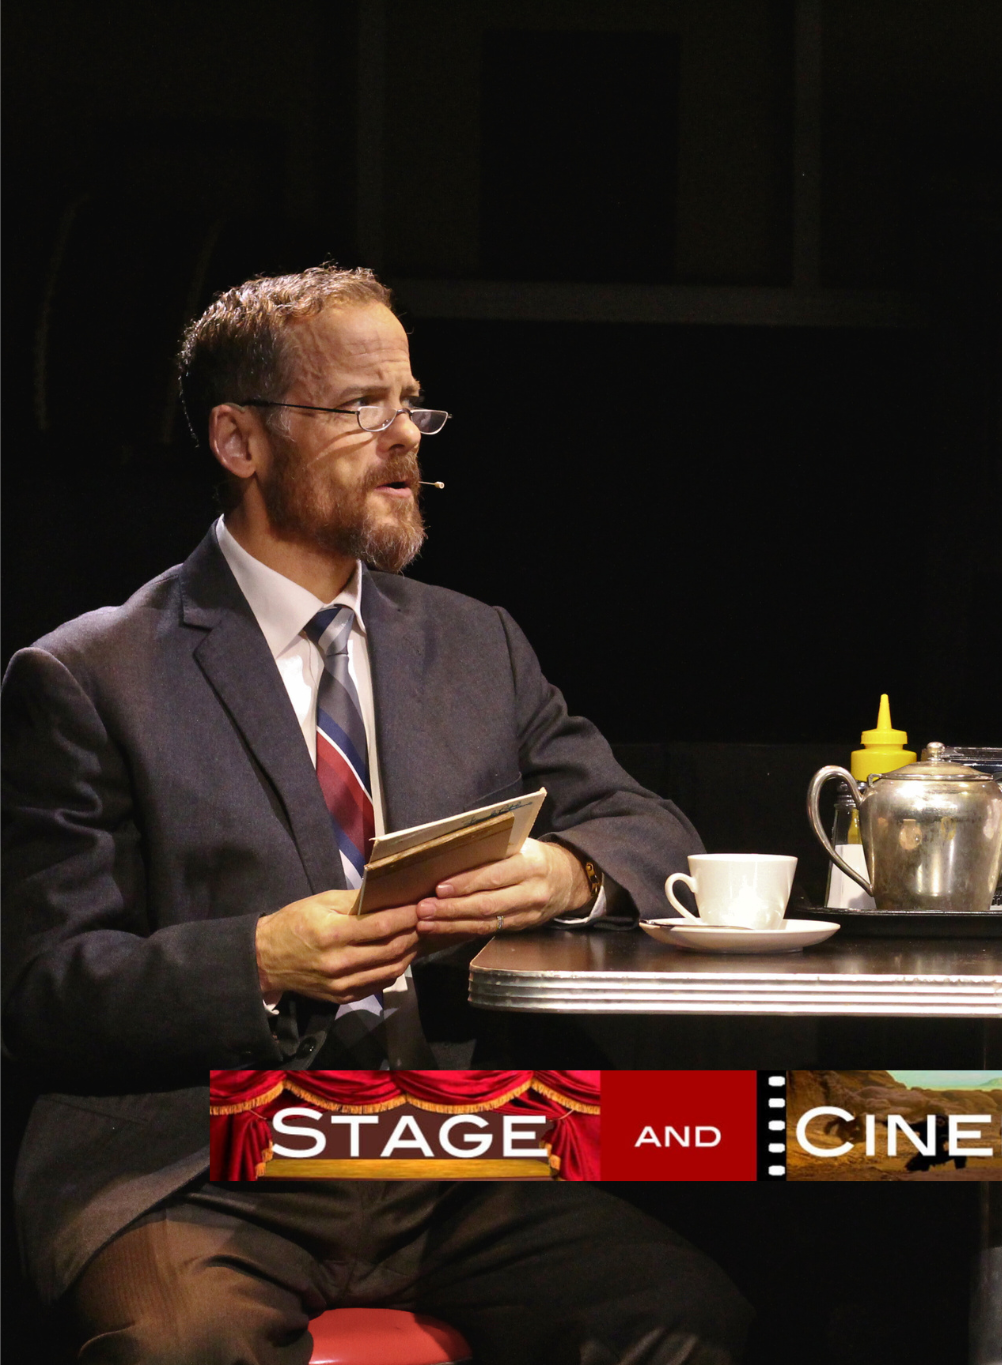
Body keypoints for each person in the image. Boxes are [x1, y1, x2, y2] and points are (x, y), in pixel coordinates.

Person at [2, 265, 750, 1362]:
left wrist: (567, 872)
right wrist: (257, 960)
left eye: (411, 404)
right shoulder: (89, 676)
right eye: (360, 406)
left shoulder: (475, 643)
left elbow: (650, 831)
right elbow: (43, 987)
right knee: (179, 1344)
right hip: (208, 1159)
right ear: (238, 440)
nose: (404, 437)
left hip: (448, 1145)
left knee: (683, 1316)